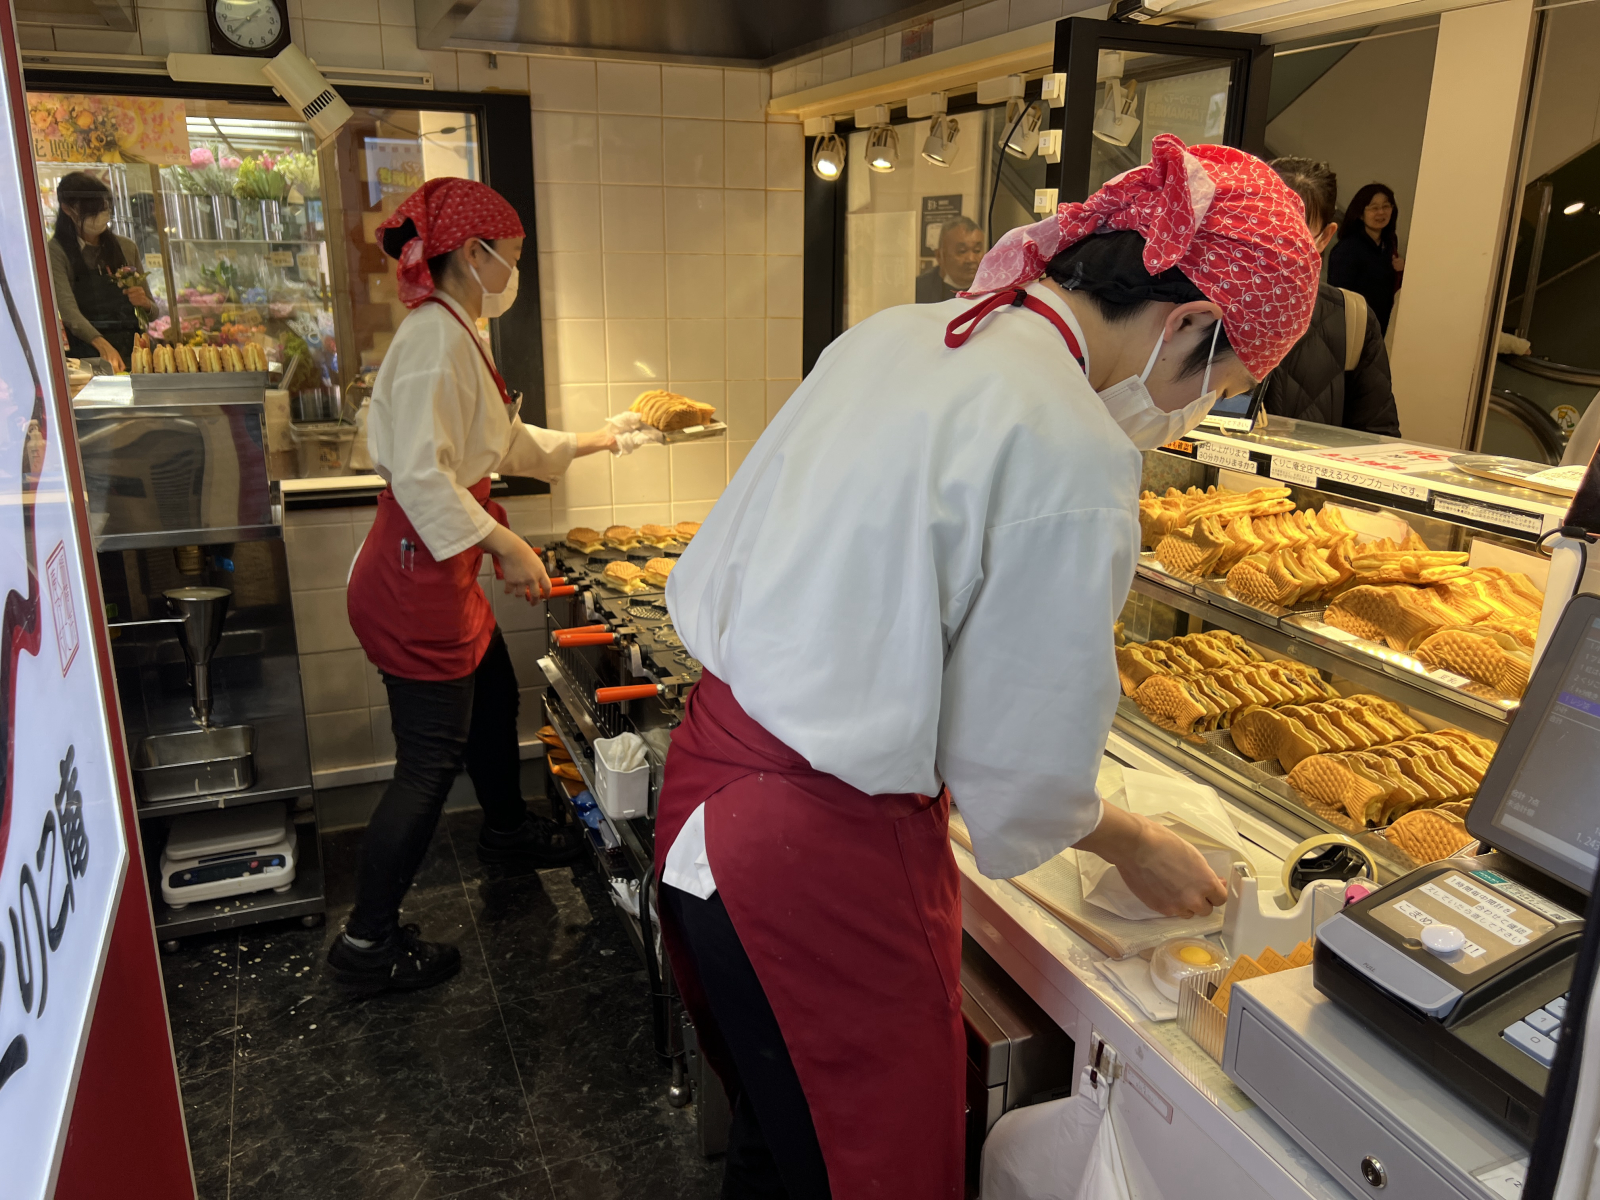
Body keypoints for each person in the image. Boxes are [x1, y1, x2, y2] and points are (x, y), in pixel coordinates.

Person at [657, 135, 1320, 1199]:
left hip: (707, 800)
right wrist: (1132, 838)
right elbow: (1015, 763)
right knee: (867, 1171)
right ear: (1190, 321)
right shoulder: (1069, 444)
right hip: (817, 858)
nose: (1202, 405)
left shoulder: (894, 336)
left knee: (778, 1148)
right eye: (1227, 379)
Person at [326, 178, 662, 995]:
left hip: (438, 572)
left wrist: (603, 439)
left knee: (492, 686)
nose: (514, 273)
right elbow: (419, 474)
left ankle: (507, 831)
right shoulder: (433, 340)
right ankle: (367, 942)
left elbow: (497, 441)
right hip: (413, 581)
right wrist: (508, 544)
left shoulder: (455, 329)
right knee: (427, 763)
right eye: (509, 259)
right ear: (471, 256)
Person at [1262, 157, 1400, 435]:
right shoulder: (1198, 305)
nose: (1275, 244)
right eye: (1266, 225)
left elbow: (1375, 434)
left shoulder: (1352, 319)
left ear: (1324, 237)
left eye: (1295, 234)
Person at [48, 172, 153, 372]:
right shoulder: (56, 252)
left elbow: (153, 312)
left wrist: (145, 304)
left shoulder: (126, 247)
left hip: (135, 353)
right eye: (92, 211)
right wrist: (103, 346)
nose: (100, 216)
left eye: (104, 209)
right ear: (67, 209)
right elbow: (69, 313)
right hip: (88, 358)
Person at [1329, 182, 1404, 333]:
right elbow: (1338, 298)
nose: (1381, 212)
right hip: (1356, 329)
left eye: (1386, 206)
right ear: (1361, 214)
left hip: (1384, 326)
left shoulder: (1390, 242)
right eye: (1374, 208)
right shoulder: (1347, 249)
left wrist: (1404, 269)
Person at [915, 214, 985, 303]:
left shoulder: (995, 287)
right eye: (962, 251)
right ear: (940, 256)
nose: (971, 259)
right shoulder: (918, 290)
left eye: (977, 250)